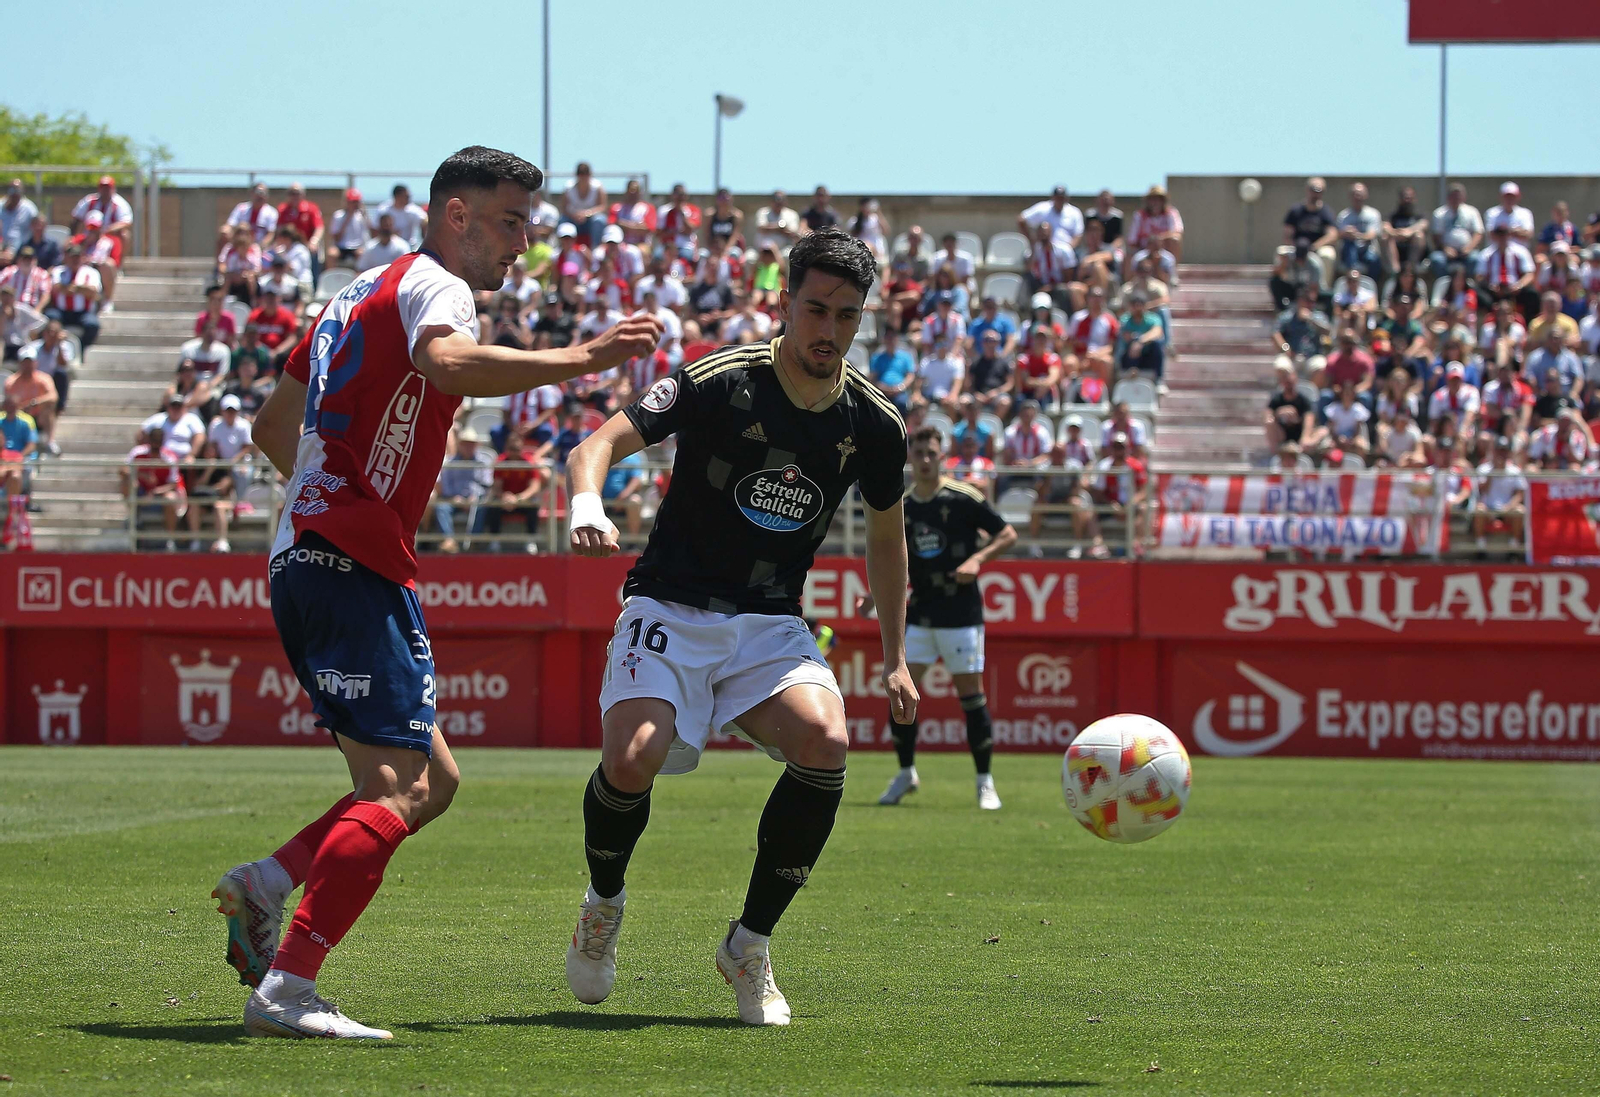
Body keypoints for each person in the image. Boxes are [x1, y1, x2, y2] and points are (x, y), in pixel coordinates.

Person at [208, 146, 660, 1041]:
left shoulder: (352, 291)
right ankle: (289, 986)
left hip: (320, 552)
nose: (522, 244)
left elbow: (271, 425)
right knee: (398, 784)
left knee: (435, 780)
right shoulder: (436, 286)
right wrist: (584, 356)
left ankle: (267, 881)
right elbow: (446, 363)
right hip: (346, 560)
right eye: (510, 222)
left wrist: (328, 497)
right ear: (457, 214)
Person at [562, 226, 913, 1027]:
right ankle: (603, 902)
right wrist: (588, 505)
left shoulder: (875, 422)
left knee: (826, 742)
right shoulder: (722, 379)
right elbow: (595, 445)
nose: (829, 330)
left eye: (847, 316)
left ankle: (748, 944)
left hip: (767, 620)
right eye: (816, 309)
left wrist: (896, 655)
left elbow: (887, 539)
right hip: (668, 602)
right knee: (633, 758)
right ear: (784, 302)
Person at [856, 426, 1016, 808]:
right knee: (900, 693)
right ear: (909, 457)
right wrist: (875, 595)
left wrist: (977, 560)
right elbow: (894, 559)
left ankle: (984, 782)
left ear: (942, 456)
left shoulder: (963, 497)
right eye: (919, 453)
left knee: (971, 697)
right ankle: (905, 773)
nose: (925, 460)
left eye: (931, 453)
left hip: (961, 613)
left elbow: (1008, 534)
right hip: (919, 613)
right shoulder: (903, 506)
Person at [1472, 436, 1526, 558]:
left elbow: (1520, 494)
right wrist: (1493, 472)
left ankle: (1513, 549)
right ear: (1494, 451)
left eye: (1504, 451)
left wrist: (1508, 507)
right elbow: (1480, 491)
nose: (1501, 454)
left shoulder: (1515, 471)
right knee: (1479, 509)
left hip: (1507, 510)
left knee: (1520, 510)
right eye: (1499, 450)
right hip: (1488, 509)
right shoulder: (1483, 469)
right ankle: (1480, 548)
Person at [6, 344, 59, 457]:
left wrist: (35, 402)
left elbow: (53, 396)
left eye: (30, 362)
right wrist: (21, 408)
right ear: (20, 363)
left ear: (36, 362)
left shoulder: (44, 379)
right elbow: (9, 402)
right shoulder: (11, 382)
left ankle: (50, 442)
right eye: (25, 362)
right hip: (19, 416)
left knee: (49, 410)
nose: (27, 365)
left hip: (38, 415)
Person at [0, 391, 36, 549]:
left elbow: (32, 444)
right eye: (7, 405)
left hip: (17, 460)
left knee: (15, 475)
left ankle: (12, 512)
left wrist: (19, 456)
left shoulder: (26, 422)